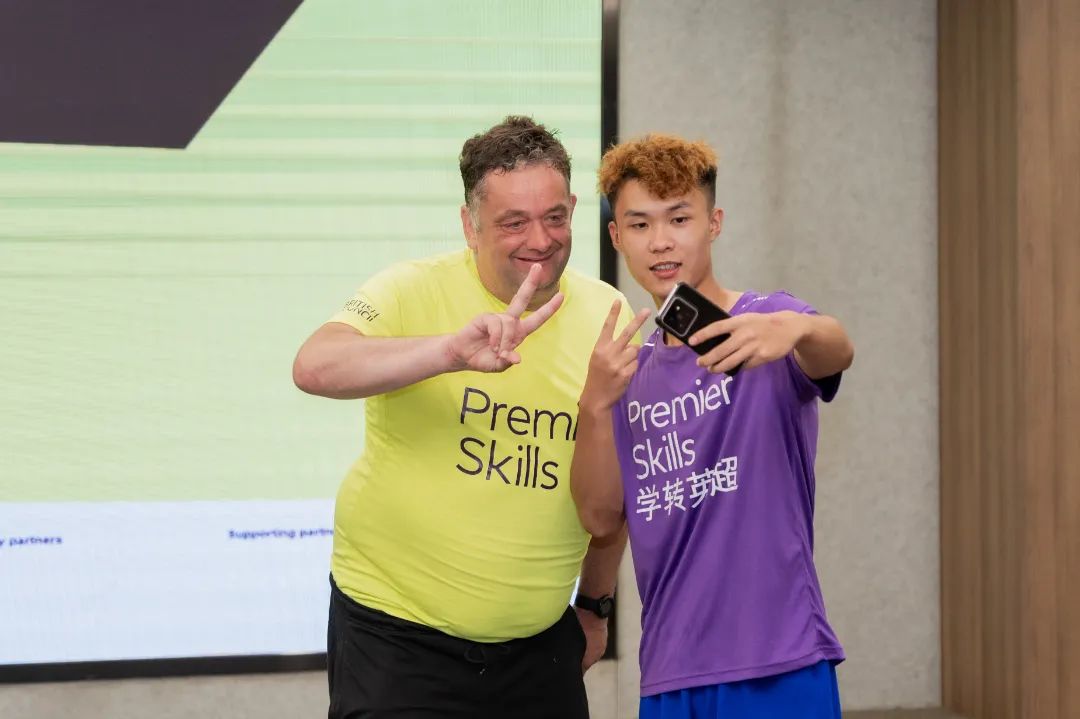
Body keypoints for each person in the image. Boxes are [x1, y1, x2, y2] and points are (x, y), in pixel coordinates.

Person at [293, 115, 638, 719]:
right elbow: (314, 366)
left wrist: (596, 603)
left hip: (539, 649)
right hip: (396, 639)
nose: (540, 239)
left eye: (555, 217)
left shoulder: (607, 312)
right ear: (469, 224)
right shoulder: (411, 289)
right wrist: (448, 353)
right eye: (513, 222)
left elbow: (615, 486)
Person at [570, 133, 855, 719]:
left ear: (714, 223)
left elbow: (837, 351)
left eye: (680, 219)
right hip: (670, 671)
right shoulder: (627, 372)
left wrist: (799, 329)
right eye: (640, 224)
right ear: (616, 236)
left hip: (780, 660)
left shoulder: (765, 323)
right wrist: (594, 407)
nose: (661, 241)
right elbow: (600, 519)